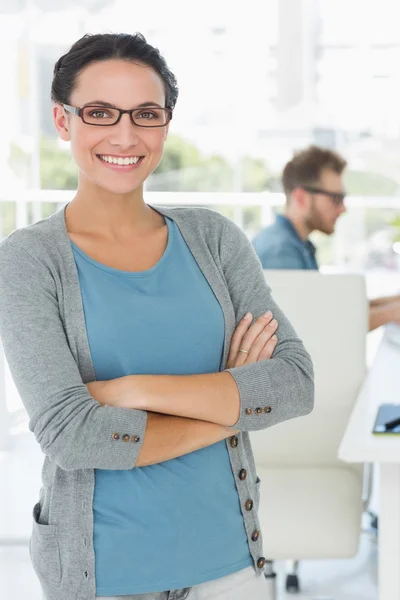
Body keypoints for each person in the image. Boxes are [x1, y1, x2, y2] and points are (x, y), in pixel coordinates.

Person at [0, 33, 314, 600]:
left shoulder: (214, 239)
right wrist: (233, 403)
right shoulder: (28, 260)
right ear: (63, 120)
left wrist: (130, 389)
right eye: (99, 113)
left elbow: (294, 384)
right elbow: (71, 436)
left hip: (231, 565)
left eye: (146, 114)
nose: (125, 135)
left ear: (166, 124)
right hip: (105, 577)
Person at [252, 145, 400, 332]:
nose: (343, 209)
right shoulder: (281, 252)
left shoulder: (296, 244)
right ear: (301, 198)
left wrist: (393, 303)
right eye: (335, 199)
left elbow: (325, 309)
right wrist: (392, 313)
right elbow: (316, 327)